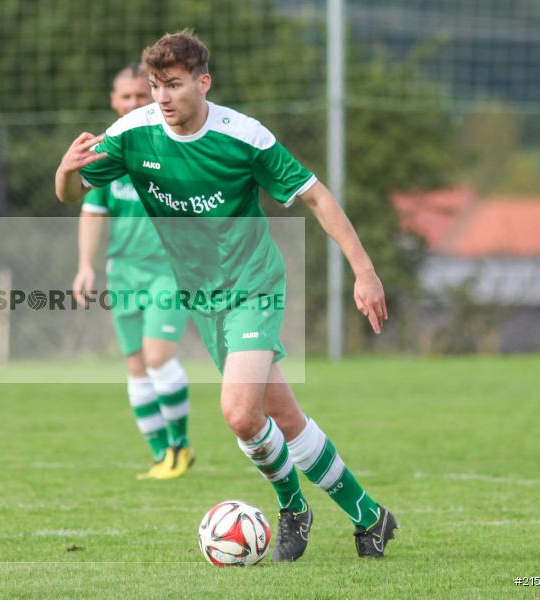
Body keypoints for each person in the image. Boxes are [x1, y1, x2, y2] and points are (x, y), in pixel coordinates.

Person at [55, 31, 397, 560]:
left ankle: (293, 509)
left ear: (203, 82)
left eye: (173, 85)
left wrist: (365, 271)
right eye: (154, 86)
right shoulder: (132, 133)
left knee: (239, 413)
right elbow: (74, 192)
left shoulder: (244, 136)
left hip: (252, 285)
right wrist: (65, 171)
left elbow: (316, 196)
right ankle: (369, 516)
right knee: (281, 418)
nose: (162, 98)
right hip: (201, 295)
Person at [72, 64, 194, 480]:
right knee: (136, 364)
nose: (133, 104)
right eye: (125, 97)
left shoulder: (171, 142)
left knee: (159, 355)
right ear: (113, 100)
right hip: (123, 271)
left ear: (157, 97)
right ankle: (163, 455)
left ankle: (180, 445)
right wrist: (86, 266)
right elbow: (92, 211)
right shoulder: (109, 149)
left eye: (141, 96)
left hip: (170, 269)